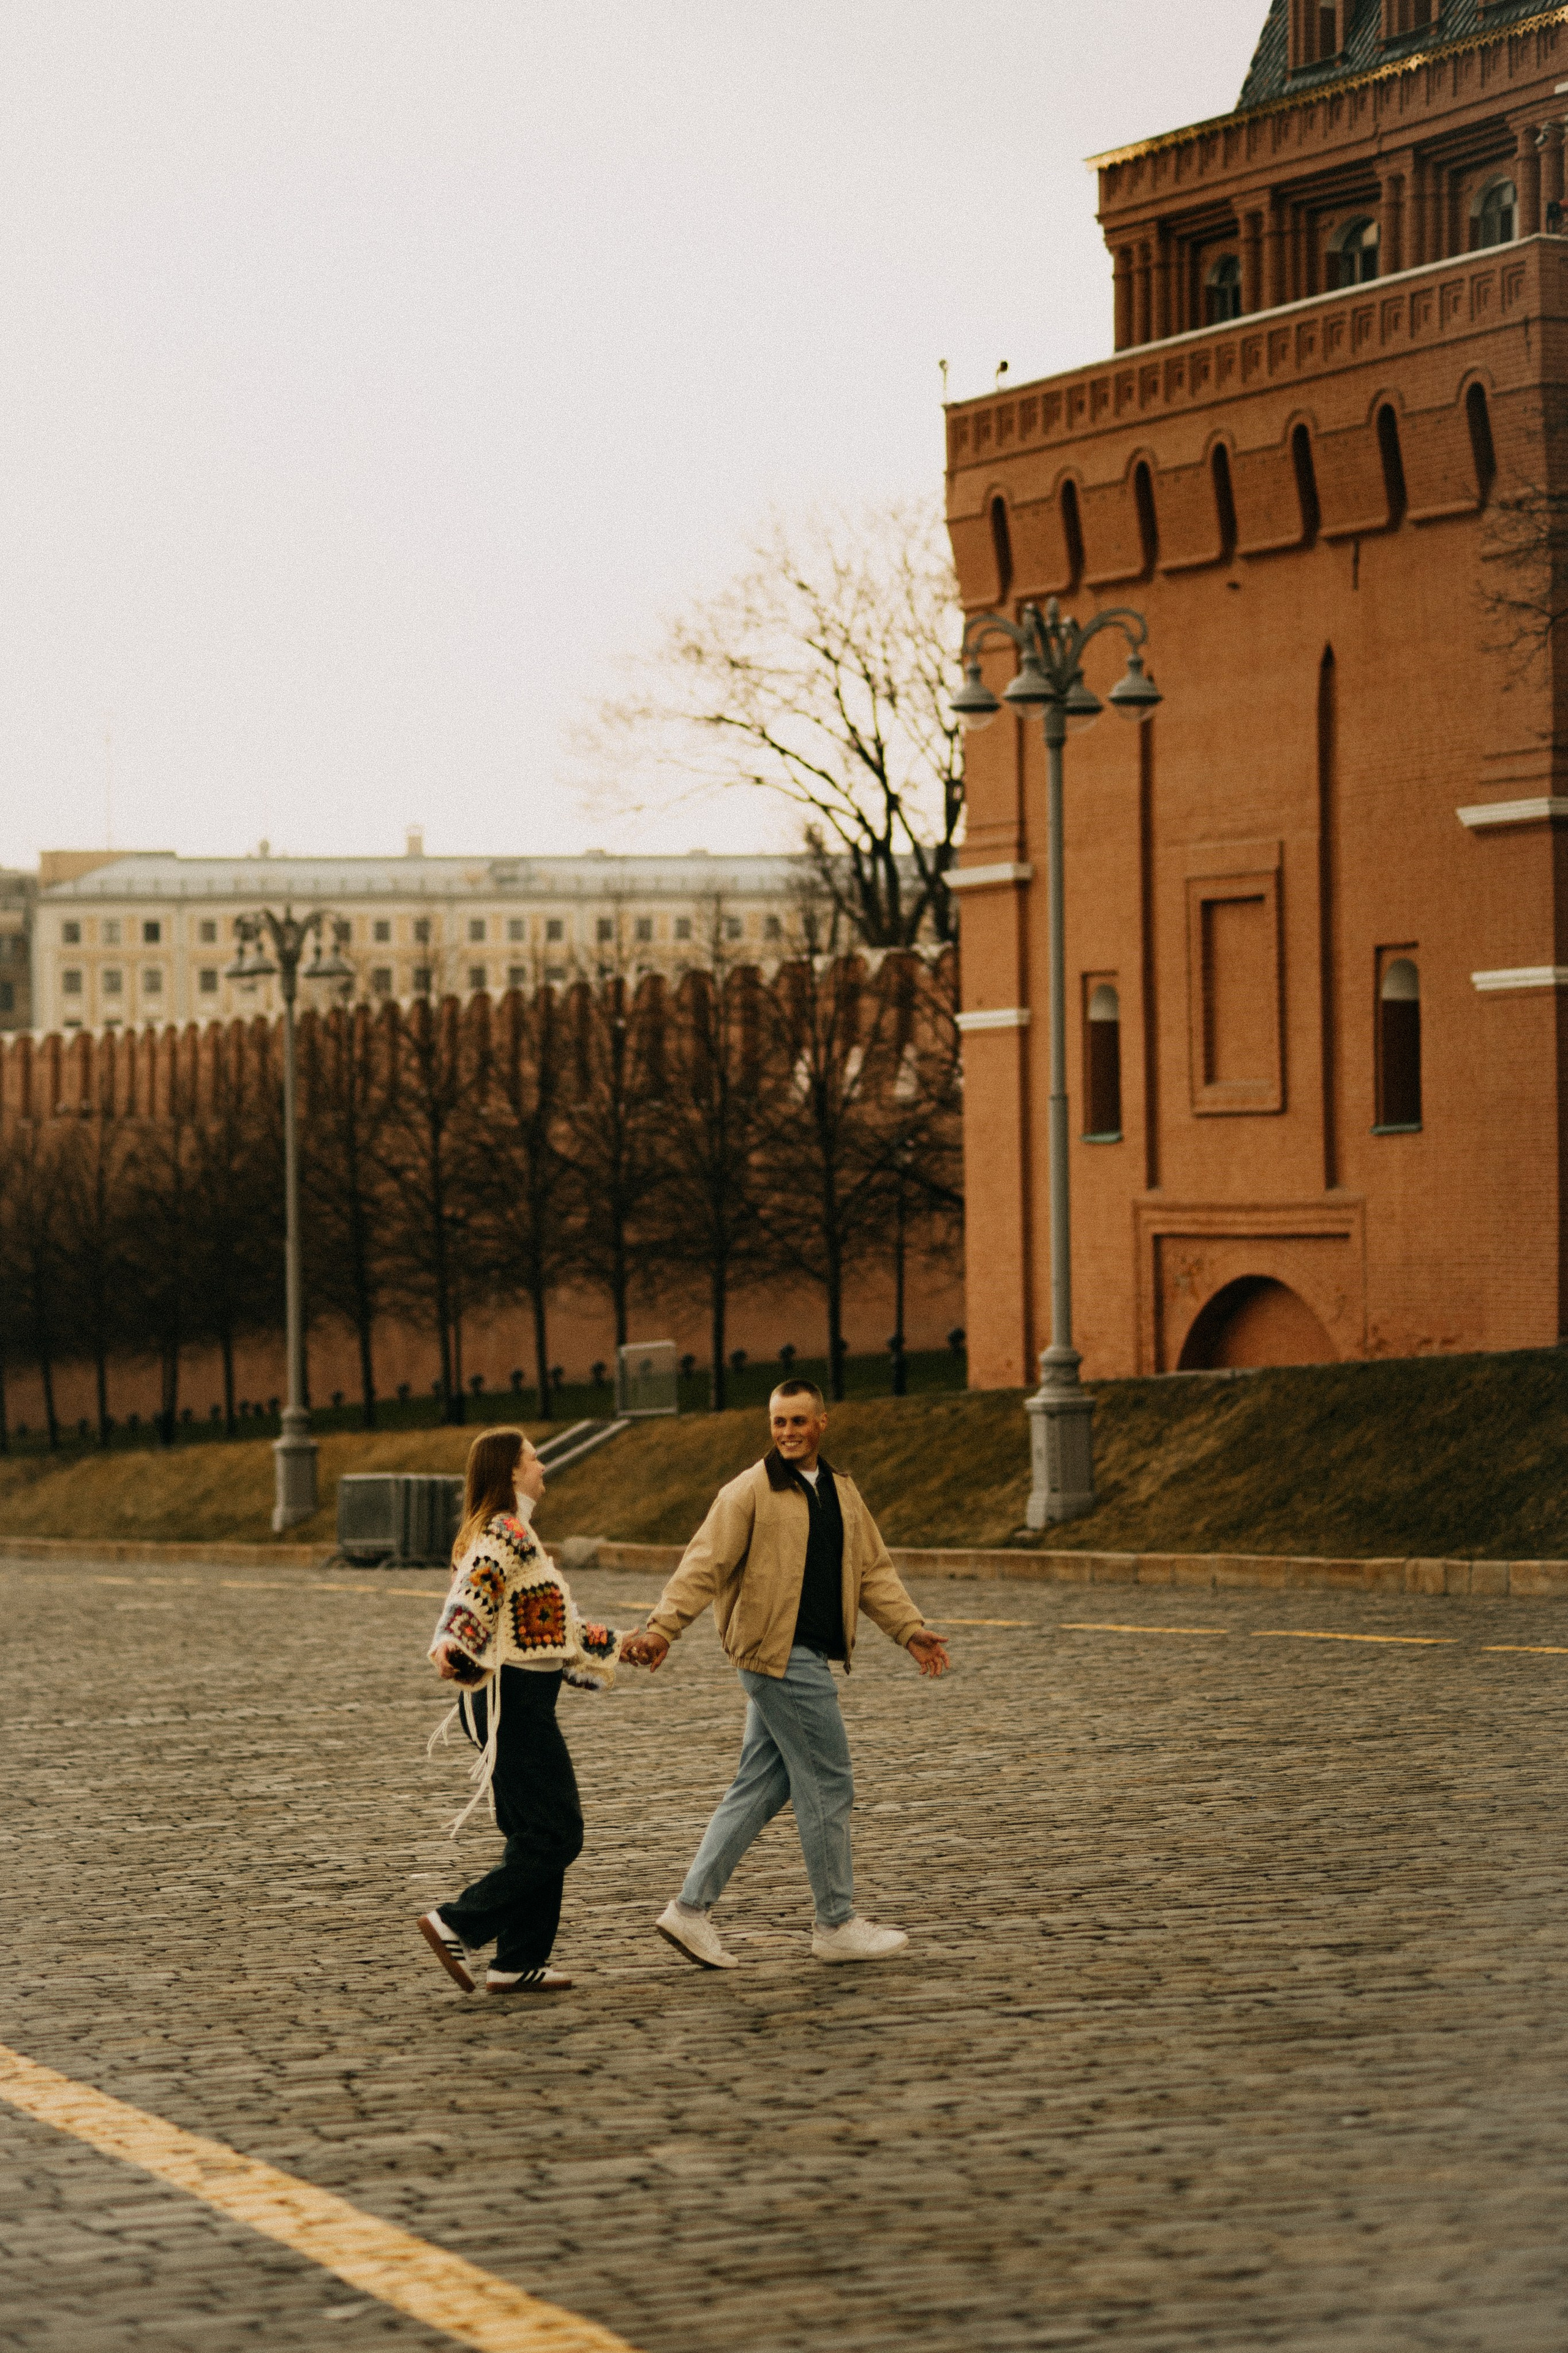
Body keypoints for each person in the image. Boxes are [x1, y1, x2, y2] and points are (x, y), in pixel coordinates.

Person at [622, 1378, 949, 1967]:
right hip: (780, 1655)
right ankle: (836, 1922)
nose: (789, 1432)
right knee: (828, 1781)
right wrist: (660, 1627)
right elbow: (704, 1562)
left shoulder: (844, 1492)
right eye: (779, 1422)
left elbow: (872, 1570)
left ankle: (689, 1910)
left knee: (763, 1784)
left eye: (799, 1421)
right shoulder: (748, 1491)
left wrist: (909, 1629)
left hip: (801, 1654)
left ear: (823, 1422)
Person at [417, 1426, 622, 1996]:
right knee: (559, 1833)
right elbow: (471, 1593)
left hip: (513, 1699)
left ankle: (519, 1960)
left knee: (534, 1831)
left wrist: (629, 1643)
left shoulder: (520, 1534)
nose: (542, 1464)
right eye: (534, 1457)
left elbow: (561, 1634)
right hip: (511, 1702)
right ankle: (459, 1921)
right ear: (510, 1470)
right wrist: (452, 1644)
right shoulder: (505, 1532)